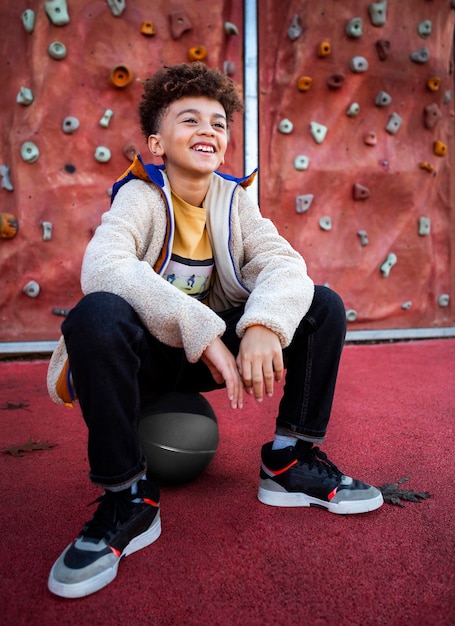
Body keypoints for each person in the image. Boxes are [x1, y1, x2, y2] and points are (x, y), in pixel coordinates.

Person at [46, 62, 383, 599]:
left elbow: (283, 265)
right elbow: (104, 268)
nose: (208, 130)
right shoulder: (140, 195)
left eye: (219, 123)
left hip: (215, 353)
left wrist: (264, 327)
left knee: (321, 305)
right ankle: (127, 495)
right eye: (189, 119)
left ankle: (289, 460)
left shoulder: (235, 201)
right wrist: (200, 328)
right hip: (152, 358)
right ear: (157, 143)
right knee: (96, 313)